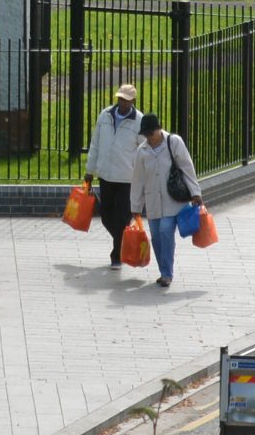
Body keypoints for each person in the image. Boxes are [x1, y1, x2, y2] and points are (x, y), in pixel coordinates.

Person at [130, 110, 204, 291]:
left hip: (174, 200)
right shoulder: (142, 151)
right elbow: (137, 180)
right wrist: (136, 207)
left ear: (158, 130)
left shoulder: (174, 142)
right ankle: (163, 269)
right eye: (145, 134)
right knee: (156, 237)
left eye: (151, 133)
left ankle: (167, 274)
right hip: (153, 201)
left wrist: (195, 192)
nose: (149, 137)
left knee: (165, 231)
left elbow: (187, 167)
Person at [86, 81, 143, 267]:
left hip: (127, 177)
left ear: (133, 100)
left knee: (123, 216)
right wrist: (89, 171)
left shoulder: (139, 120)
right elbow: (95, 143)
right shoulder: (105, 115)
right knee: (105, 214)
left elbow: (144, 149)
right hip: (106, 175)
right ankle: (122, 242)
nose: (122, 103)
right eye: (120, 99)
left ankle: (116, 254)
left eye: (126, 100)